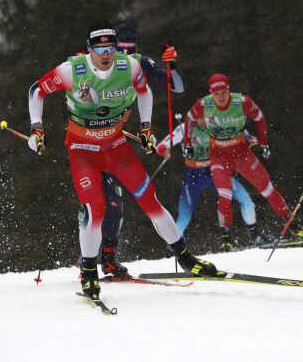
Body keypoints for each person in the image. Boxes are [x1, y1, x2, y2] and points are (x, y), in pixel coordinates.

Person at [27, 20, 219, 299]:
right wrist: (36, 127)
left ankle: (187, 259)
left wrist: (146, 127)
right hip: (83, 149)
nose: (106, 55)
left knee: (150, 200)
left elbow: (146, 91)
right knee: (96, 210)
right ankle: (90, 273)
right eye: (99, 49)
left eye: (111, 48)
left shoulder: (129, 66)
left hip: (117, 146)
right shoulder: (72, 71)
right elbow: (37, 90)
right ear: (88, 50)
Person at [92, 24, 184, 279]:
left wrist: (172, 65)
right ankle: (86, 261)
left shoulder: (138, 63)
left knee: (117, 204)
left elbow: (176, 87)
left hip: (116, 144)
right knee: (103, 203)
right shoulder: (95, 63)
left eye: (130, 52)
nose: (124, 58)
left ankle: (108, 259)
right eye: (120, 51)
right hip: (91, 142)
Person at [184, 74, 303, 249]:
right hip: (219, 154)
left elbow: (259, 118)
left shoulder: (241, 102)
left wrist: (264, 143)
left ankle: (293, 226)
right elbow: (190, 118)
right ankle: (226, 239)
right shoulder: (204, 104)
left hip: (241, 152)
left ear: (228, 89)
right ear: (211, 94)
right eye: (217, 94)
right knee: (224, 194)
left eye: (223, 92)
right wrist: (188, 143)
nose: (221, 97)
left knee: (267, 189)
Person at [155, 119, 272, 250]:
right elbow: (162, 145)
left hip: (215, 172)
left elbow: (241, 133)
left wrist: (249, 138)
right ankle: (172, 248)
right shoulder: (185, 128)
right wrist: (163, 150)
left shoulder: (216, 123)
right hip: (193, 178)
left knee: (247, 200)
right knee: (184, 216)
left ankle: (253, 236)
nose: (203, 121)